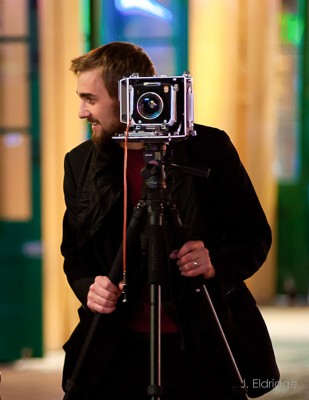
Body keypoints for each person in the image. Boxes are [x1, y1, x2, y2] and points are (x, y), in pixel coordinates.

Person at [61, 41, 279, 400]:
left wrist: (215, 262)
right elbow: (76, 253)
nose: (82, 112)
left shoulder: (208, 149)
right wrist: (89, 287)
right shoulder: (80, 163)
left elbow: (254, 236)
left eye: (90, 99)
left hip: (200, 342)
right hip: (114, 347)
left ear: (127, 98)